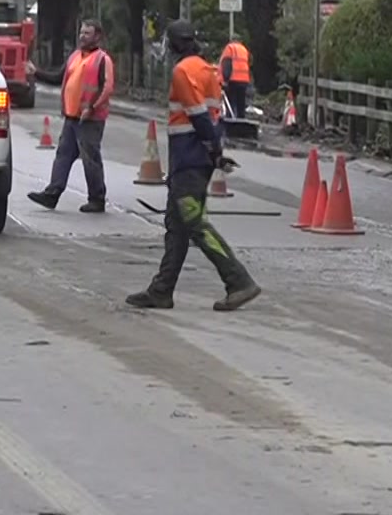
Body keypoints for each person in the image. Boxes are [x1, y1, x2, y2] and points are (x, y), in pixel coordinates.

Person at [127, 20, 262, 312]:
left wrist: (214, 151)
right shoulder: (207, 69)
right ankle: (161, 290)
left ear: (174, 43)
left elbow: (199, 116)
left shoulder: (183, 72)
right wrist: (215, 154)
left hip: (188, 161)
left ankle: (238, 280)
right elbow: (215, 117)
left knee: (196, 225)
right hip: (195, 162)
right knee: (177, 228)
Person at [27, 20, 114, 213]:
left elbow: (107, 88)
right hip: (72, 116)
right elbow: (59, 78)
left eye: (87, 33)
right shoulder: (75, 56)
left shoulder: (102, 59)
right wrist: (37, 73)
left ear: (97, 36)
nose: (82, 36)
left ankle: (97, 199)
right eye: (81, 32)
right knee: (63, 155)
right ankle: (52, 194)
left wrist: (91, 107)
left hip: (90, 119)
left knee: (90, 158)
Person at [220, 37, 253, 119]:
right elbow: (249, 62)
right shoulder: (244, 49)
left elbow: (226, 64)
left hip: (233, 79)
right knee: (241, 104)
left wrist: (225, 80)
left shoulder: (229, 48)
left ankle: (231, 122)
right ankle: (241, 123)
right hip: (244, 80)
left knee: (230, 104)